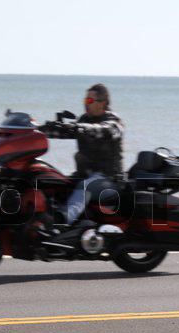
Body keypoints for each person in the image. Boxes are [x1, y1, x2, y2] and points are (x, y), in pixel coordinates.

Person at [41, 83, 124, 226]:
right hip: (84, 175)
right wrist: (40, 129)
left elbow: (101, 130)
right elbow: (66, 132)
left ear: (102, 103)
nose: (86, 104)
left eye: (89, 100)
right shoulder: (84, 119)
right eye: (85, 100)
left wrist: (79, 128)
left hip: (108, 179)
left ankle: (61, 221)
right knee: (54, 182)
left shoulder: (114, 123)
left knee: (84, 186)